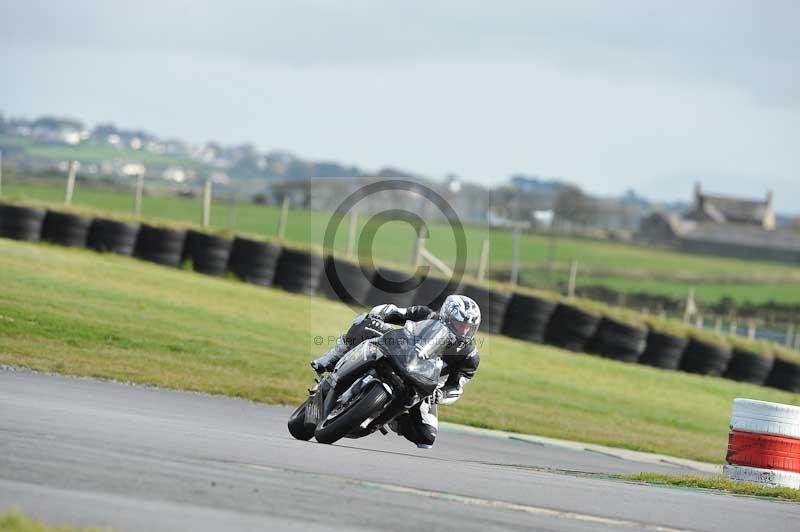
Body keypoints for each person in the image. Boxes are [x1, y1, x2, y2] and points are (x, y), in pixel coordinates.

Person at [310, 295, 481, 449]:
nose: (464, 331)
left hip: (425, 385)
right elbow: (396, 312)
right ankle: (332, 358)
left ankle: (391, 417)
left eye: (468, 328)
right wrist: (380, 314)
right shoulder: (427, 315)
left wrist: (440, 395)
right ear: (447, 317)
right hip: (397, 351)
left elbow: (457, 386)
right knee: (364, 322)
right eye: (460, 325)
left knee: (426, 436)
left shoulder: (469, 355)